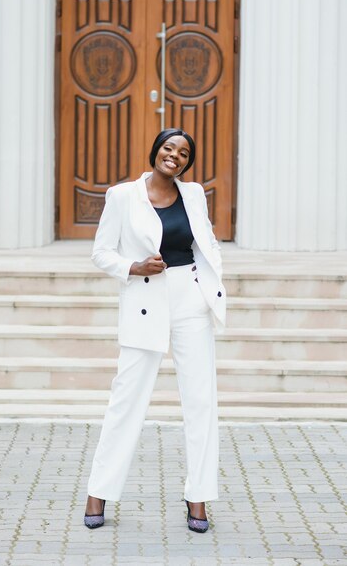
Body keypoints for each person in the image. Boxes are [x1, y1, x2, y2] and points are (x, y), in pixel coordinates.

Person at [83, 128, 226, 533]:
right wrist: (132, 267)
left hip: (190, 299)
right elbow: (100, 253)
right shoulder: (122, 195)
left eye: (183, 153)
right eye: (168, 148)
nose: (174, 156)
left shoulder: (194, 193)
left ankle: (198, 496)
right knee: (126, 399)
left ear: (187, 162)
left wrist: (207, 283)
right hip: (145, 297)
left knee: (201, 402)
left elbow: (206, 242)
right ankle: (99, 490)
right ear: (155, 151)